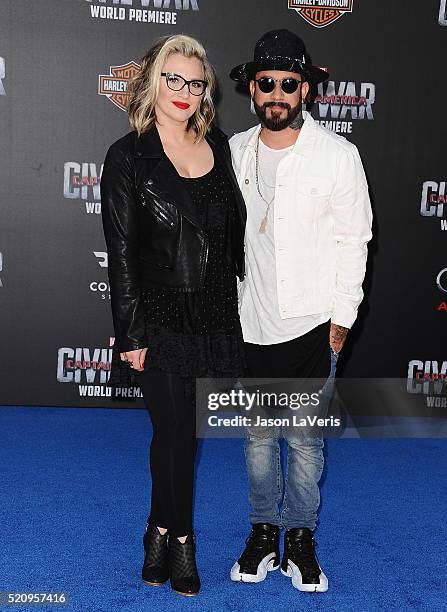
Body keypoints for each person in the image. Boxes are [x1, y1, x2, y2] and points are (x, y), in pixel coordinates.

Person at [100, 34, 247, 597]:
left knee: (181, 437)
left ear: (205, 89)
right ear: (153, 83)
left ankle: (156, 527)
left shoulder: (221, 145)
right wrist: (131, 331)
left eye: (195, 82)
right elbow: (122, 255)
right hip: (158, 315)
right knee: (174, 431)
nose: (183, 92)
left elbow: (227, 232)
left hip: (212, 313)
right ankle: (182, 539)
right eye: (173, 79)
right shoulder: (128, 155)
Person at [228, 29, 373, 592]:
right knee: (259, 438)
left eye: (289, 83)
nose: (277, 94)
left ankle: (301, 537)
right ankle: (264, 531)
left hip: (315, 323)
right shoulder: (235, 151)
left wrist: (341, 321)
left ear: (306, 89)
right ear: (254, 89)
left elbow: (354, 241)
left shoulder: (338, 155)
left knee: (305, 442)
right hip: (250, 323)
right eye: (267, 83)